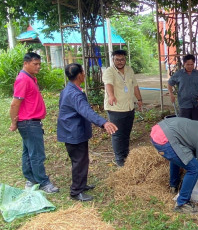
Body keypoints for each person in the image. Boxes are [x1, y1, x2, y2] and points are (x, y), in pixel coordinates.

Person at [58, 63, 118, 202]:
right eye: (83, 72)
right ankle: (76, 191)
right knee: (79, 161)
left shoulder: (68, 89)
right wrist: (104, 122)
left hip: (71, 129)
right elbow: (86, 111)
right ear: (79, 75)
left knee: (81, 160)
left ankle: (82, 185)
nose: (84, 74)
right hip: (73, 132)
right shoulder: (74, 94)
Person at [150, 117, 198, 214]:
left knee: (181, 156)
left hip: (159, 129)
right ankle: (182, 203)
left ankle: (174, 185)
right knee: (195, 168)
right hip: (164, 141)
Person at [9, 52, 59, 193]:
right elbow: (14, 104)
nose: (38, 67)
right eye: (35, 64)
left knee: (28, 152)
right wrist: (14, 122)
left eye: (39, 64)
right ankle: (43, 183)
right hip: (29, 122)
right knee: (37, 154)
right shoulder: (23, 80)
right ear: (26, 63)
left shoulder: (31, 78)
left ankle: (31, 180)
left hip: (31, 121)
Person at [102, 50, 143, 167]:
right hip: (116, 108)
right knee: (117, 134)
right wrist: (111, 95)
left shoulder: (129, 70)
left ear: (125, 59)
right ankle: (120, 160)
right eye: (117, 60)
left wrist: (139, 99)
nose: (120, 62)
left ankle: (126, 156)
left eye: (122, 59)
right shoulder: (109, 71)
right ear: (113, 60)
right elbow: (108, 84)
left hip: (129, 107)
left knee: (126, 133)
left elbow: (135, 86)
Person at [168, 54, 198, 120]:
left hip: (196, 104)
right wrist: (171, 94)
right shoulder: (179, 74)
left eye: (192, 64)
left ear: (194, 64)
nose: (190, 66)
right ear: (184, 64)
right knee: (184, 126)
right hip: (184, 105)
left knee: (195, 124)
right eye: (188, 64)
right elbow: (169, 84)